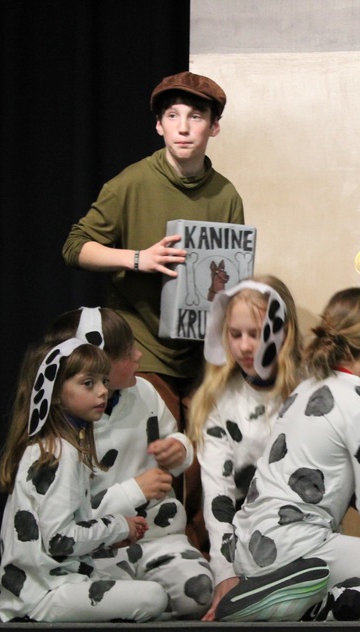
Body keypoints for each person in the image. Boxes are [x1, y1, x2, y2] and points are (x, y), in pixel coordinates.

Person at [62, 70, 244, 550]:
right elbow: (75, 246)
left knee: (209, 461)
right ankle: (150, 556)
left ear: (214, 128)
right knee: (155, 460)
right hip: (144, 350)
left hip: (203, 354)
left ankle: (206, 563)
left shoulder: (226, 195)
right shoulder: (131, 183)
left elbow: (231, 271)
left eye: (196, 117)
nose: (184, 127)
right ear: (159, 126)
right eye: (173, 116)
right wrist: (137, 258)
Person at [214, 288, 360, 622]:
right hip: (301, 546)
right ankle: (316, 607)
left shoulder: (305, 388)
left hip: (249, 548)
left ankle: (279, 594)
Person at [44, 307, 214, 619]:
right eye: (127, 352)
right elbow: (67, 523)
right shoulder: (65, 433)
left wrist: (178, 450)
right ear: (98, 363)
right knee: (135, 602)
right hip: (97, 550)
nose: (138, 356)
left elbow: (175, 439)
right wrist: (134, 491)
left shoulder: (144, 392)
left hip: (158, 538)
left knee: (199, 593)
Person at [0, 338, 168, 622]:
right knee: (154, 596)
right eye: (88, 383)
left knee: (123, 572)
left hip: (49, 586)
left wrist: (108, 540)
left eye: (103, 381)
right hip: (45, 594)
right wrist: (118, 526)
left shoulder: (54, 446)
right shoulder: (59, 451)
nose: (103, 391)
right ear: (56, 394)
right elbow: (60, 540)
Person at [184, 276, 304, 621]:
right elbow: (218, 494)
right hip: (242, 542)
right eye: (235, 335)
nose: (245, 346)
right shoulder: (218, 402)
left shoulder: (309, 394)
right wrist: (225, 574)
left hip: (302, 538)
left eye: (256, 334)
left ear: (283, 331)